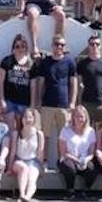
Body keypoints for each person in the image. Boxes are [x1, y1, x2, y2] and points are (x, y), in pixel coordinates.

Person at [33, 34, 77, 163]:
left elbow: (73, 83)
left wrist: (73, 102)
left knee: (63, 136)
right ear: (52, 46)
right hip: (47, 103)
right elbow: (40, 82)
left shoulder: (70, 62)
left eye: (62, 45)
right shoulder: (45, 62)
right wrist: (38, 101)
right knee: (44, 135)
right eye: (57, 44)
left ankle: (62, 161)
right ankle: (44, 161)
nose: (59, 47)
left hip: (64, 105)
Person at [57, 105, 98, 201]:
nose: (80, 119)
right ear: (73, 117)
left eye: (82, 116)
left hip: (84, 159)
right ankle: (70, 191)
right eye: (77, 116)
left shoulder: (91, 131)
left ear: (86, 117)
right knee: (70, 168)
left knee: (92, 168)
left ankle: (85, 190)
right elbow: (63, 152)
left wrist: (85, 160)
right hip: (68, 158)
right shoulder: (65, 130)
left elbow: (92, 153)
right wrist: (76, 160)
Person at [0, 34, 36, 126]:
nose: (20, 49)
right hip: (9, 100)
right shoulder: (7, 61)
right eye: (17, 46)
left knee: (21, 128)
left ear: (26, 47)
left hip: (24, 101)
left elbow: (33, 86)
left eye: (23, 46)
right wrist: (2, 99)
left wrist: (32, 104)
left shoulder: (31, 64)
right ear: (13, 47)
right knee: (9, 127)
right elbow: (0, 81)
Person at [9, 108, 44, 202]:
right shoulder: (17, 133)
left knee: (32, 177)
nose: (27, 120)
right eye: (25, 117)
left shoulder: (39, 134)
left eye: (30, 117)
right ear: (21, 119)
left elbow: (40, 152)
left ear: (33, 119)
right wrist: (9, 167)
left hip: (33, 161)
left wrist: (41, 167)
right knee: (23, 168)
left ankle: (27, 197)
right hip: (19, 160)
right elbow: (13, 151)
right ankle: (22, 194)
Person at [77, 35, 102, 123]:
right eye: (92, 44)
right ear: (88, 45)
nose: (94, 46)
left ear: (100, 46)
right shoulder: (81, 64)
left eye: (97, 44)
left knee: (101, 131)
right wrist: (79, 102)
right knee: (86, 131)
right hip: (86, 102)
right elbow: (79, 84)